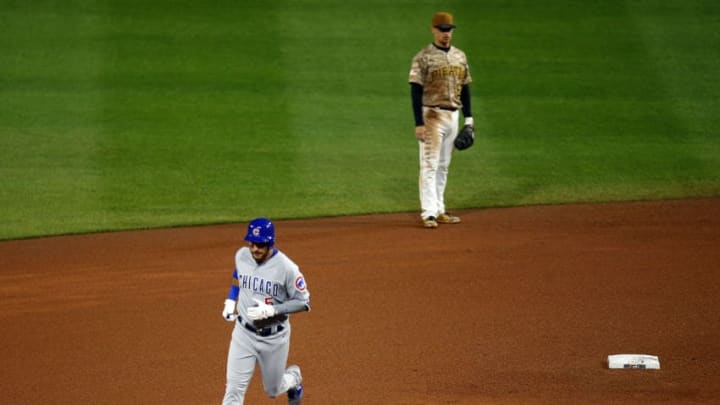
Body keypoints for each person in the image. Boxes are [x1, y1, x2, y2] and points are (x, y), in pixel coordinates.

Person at [221, 217, 310, 405]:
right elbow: (238, 274)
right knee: (233, 392)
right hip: (243, 334)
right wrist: (230, 299)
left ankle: (293, 379)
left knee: (273, 390)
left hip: (274, 339)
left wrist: (272, 310)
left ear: (270, 243)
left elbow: (303, 302)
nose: (255, 249)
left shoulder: (287, 268)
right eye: (252, 244)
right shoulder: (242, 255)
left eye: (260, 245)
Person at [409, 11, 474, 228]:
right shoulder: (423, 57)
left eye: (449, 30)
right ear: (434, 30)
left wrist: (469, 120)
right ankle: (428, 213)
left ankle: (439, 209)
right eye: (442, 30)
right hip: (432, 116)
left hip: (453, 115)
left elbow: (465, 88)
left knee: (444, 165)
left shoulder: (460, 56)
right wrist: (418, 122)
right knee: (429, 164)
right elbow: (415, 91)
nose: (446, 34)